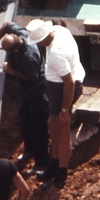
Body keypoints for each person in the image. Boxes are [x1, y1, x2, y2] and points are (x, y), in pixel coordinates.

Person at [25, 19, 85, 190]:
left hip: (62, 88)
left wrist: (65, 110)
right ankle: (54, 164)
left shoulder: (56, 54)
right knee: (53, 125)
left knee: (62, 129)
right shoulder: (59, 30)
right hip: (56, 86)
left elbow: (70, 83)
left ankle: (61, 173)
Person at [0, 22, 51, 174]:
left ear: (16, 49)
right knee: (24, 119)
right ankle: (29, 151)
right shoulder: (20, 34)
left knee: (37, 128)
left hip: (38, 92)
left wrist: (11, 71)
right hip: (27, 93)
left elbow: (33, 79)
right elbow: (4, 24)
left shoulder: (29, 56)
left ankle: (42, 162)